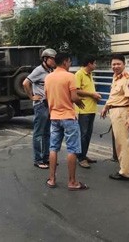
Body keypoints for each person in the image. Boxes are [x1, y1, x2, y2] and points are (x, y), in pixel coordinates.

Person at [44, 52, 88, 190]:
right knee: (72, 149)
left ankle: (51, 179)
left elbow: (46, 97)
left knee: (53, 148)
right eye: (69, 62)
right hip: (68, 117)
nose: (70, 64)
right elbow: (74, 97)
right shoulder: (70, 76)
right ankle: (72, 181)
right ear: (65, 62)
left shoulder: (48, 77)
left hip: (54, 117)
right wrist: (80, 102)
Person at [100, 54, 129, 181]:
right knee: (124, 142)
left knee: (121, 143)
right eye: (113, 64)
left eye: (118, 64)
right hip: (114, 110)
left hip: (122, 112)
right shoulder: (116, 77)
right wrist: (106, 106)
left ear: (124, 64)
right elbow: (114, 95)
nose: (115, 66)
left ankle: (125, 172)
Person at [23, 48, 57, 169]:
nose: (54, 61)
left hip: (49, 105)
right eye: (52, 59)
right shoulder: (38, 70)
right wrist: (31, 97)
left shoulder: (51, 70)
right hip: (41, 105)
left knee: (47, 133)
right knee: (38, 134)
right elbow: (25, 83)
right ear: (45, 59)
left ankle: (46, 157)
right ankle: (38, 159)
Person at [75, 55, 102, 168]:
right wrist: (92, 94)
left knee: (88, 134)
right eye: (94, 63)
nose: (95, 65)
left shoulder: (90, 74)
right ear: (89, 64)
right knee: (83, 134)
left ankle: (84, 155)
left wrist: (94, 96)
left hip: (91, 108)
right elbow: (76, 90)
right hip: (83, 109)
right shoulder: (79, 74)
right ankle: (80, 158)